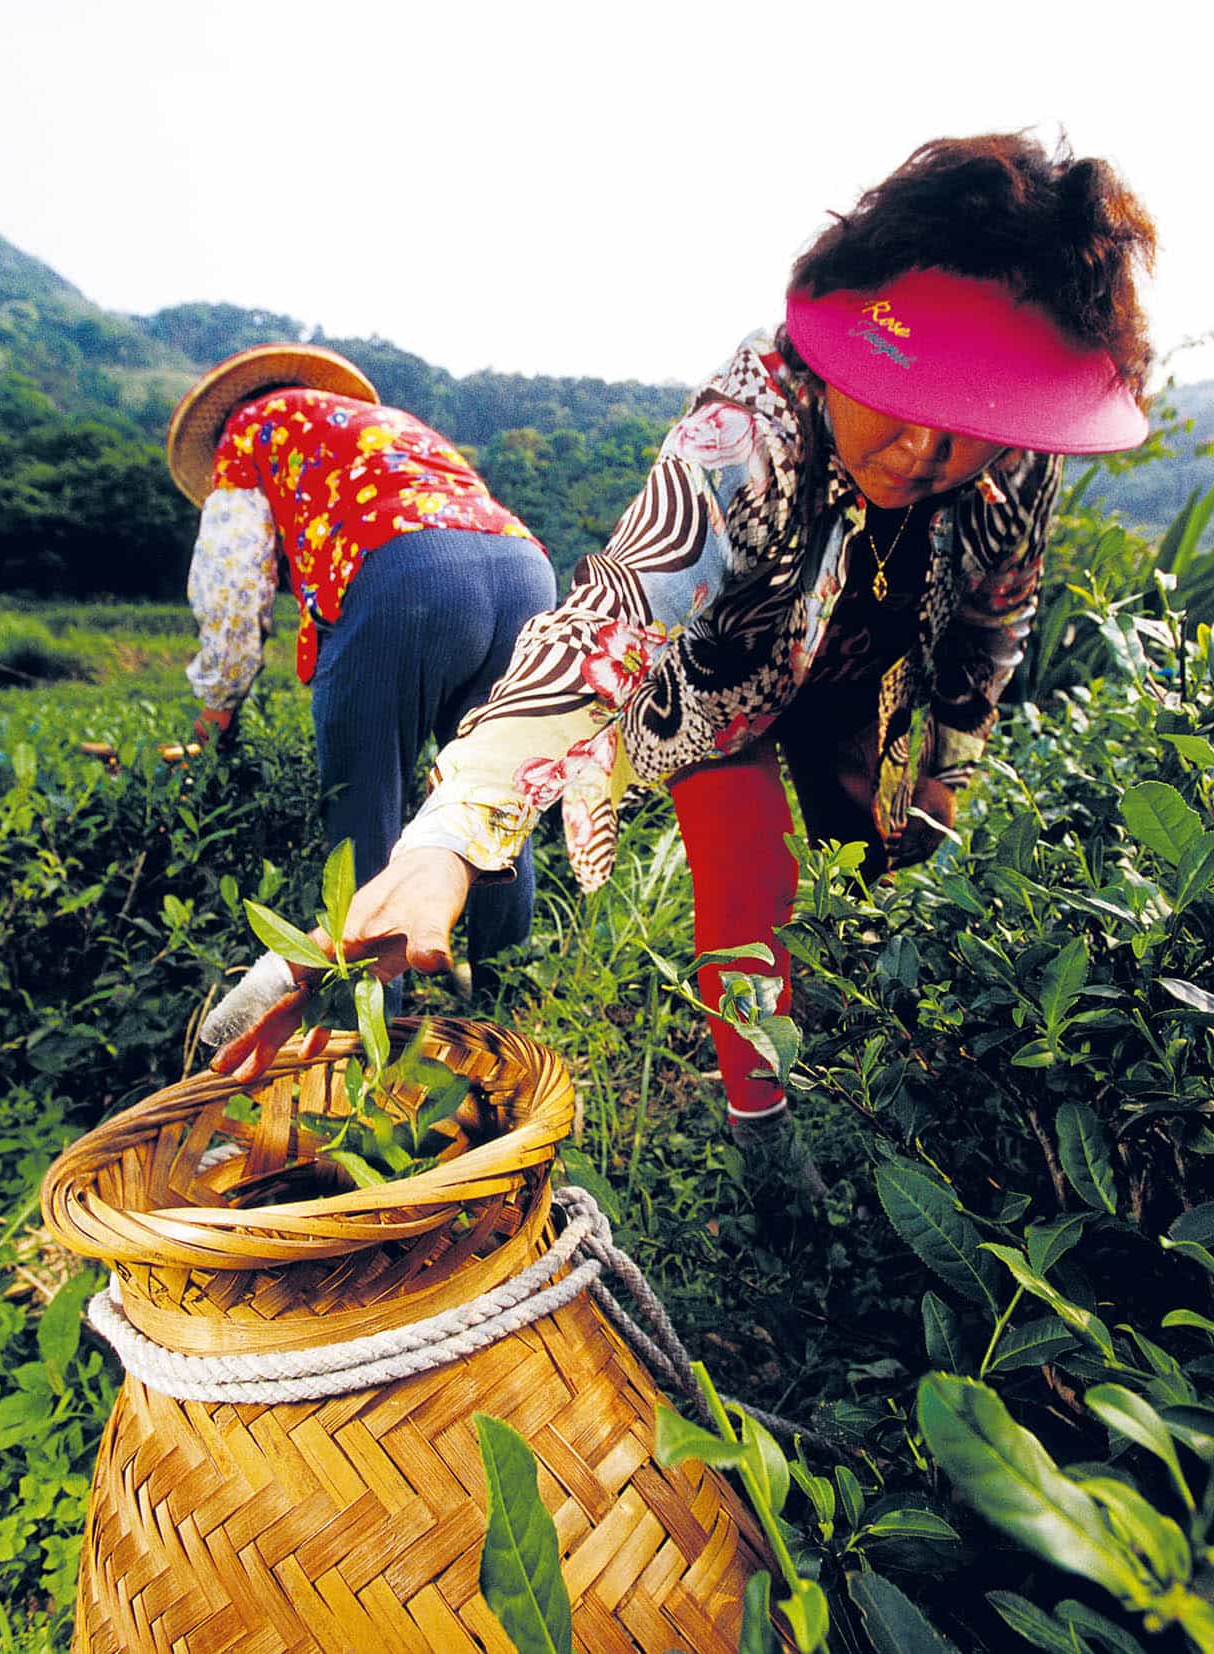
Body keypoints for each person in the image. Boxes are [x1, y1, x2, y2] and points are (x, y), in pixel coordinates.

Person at [205, 134, 1156, 1153]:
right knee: (749, 881)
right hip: (718, 680)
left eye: (967, 421)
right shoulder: (747, 426)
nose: (923, 451)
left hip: (869, 670)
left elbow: (990, 627)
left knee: (880, 881)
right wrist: (448, 837)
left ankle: (881, 1110)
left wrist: (947, 773)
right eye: (903, 402)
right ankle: (766, 1145)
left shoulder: (1014, 461)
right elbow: (614, 614)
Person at [166, 344, 557, 1010]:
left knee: (362, 820)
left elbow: (232, 588)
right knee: (494, 803)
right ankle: (506, 1018)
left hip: (406, 577)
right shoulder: (382, 427)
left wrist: (216, 714)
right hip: (525, 570)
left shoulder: (248, 430)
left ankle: (369, 1037)